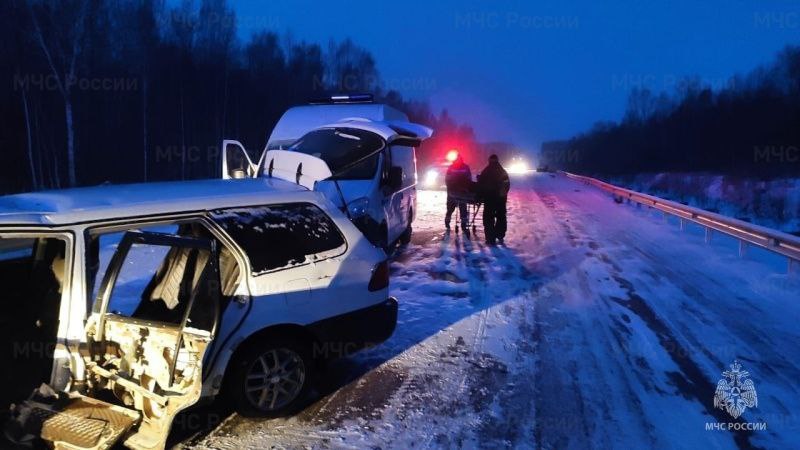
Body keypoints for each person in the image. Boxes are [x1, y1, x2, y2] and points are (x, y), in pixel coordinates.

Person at [477, 154, 510, 245]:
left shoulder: (486, 171)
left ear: (489, 161)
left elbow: (480, 186)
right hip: (500, 200)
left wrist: (479, 196)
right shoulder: (502, 171)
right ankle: (500, 236)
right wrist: (503, 196)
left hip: (489, 200)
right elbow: (507, 186)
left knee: (488, 218)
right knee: (501, 217)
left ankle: (490, 239)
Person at [444, 154, 472, 233]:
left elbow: (469, 179)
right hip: (453, 191)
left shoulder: (465, 167)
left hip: (461, 192)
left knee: (462, 208)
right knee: (450, 208)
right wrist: (450, 188)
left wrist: (466, 188)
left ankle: (463, 224)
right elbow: (447, 179)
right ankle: (447, 221)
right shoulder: (452, 167)